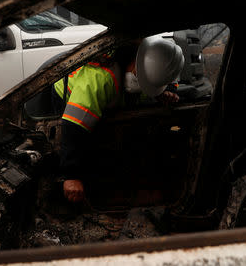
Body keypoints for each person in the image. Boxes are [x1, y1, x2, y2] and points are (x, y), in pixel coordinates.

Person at [26, 36, 185, 203]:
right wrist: (71, 176)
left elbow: (144, 86)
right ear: (135, 59)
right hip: (68, 95)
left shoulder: (141, 69)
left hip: (107, 95)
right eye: (139, 77)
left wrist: (159, 95)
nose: (139, 83)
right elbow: (73, 126)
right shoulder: (99, 77)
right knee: (85, 143)